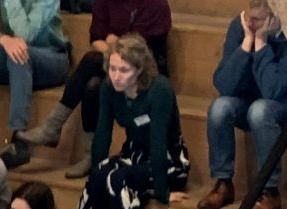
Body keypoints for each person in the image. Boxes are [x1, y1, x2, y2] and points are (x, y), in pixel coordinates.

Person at [71, 34, 191, 209]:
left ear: (139, 69)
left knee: (119, 180)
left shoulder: (159, 89)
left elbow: (158, 141)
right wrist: (96, 174)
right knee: (101, 176)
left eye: (124, 70)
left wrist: (162, 192)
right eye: (113, 69)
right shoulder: (109, 88)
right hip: (134, 153)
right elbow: (103, 133)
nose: (116, 76)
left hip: (169, 158)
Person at [17, 0, 173, 179]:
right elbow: (97, 39)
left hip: (146, 73)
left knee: (91, 60)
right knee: (93, 86)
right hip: (116, 68)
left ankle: (53, 127)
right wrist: (114, 48)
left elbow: (136, 52)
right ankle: (90, 155)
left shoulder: (155, 4)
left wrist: (113, 45)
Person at [198, 0, 287, 209]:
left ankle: (269, 190)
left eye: (258, 21)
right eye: (247, 18)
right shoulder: (242, 27)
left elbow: (273, 89)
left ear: (276, 18)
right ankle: (223, 183)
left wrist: (262, 44)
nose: (250, 24)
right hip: (255, 101)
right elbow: (224, 85)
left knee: (260, 111)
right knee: (220, 107)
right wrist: (247, 43)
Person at [0, 0, 73, 169]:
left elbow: (25, 34)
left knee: (19, 53)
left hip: (51, 58)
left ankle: (19, 139)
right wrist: (0, 38)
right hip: (14, 53)